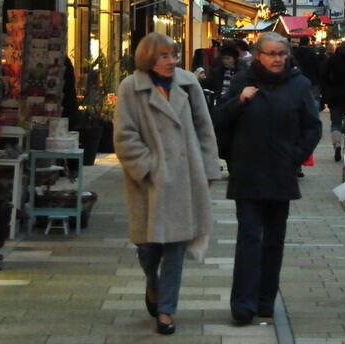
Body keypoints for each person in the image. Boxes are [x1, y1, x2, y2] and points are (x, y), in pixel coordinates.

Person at [114, 32, 221, 336]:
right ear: (149, 58)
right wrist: (148, 167)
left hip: (185, 179)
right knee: (148, 248)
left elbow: (204, 127)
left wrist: (208, 168)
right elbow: (124, 136)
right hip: (149, 183)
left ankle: (166, 310)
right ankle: (152, 283)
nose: (172, 61)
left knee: (175, 247)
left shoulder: (188, 83)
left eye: (174, 55)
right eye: (164, 56)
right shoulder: (131, 88)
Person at [214, 32, 322, 325]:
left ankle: (265, 301)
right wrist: (239, 101)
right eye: (271, 53)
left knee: (274, 240)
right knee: (249, 238)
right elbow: (219, 119)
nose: (276, 59)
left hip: (281, 173)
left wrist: (294, 156)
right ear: (258, 55)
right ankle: (243, 303)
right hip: (248, 171)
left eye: (281, 54)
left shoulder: (299, 85)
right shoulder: (242, 81)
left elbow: (312, 127)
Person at [322, 41, 345, 161]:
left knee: (335, 123)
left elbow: (324, 76)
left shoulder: (331, 60)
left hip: (334, 94)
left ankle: (337, 145)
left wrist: (325, 93)